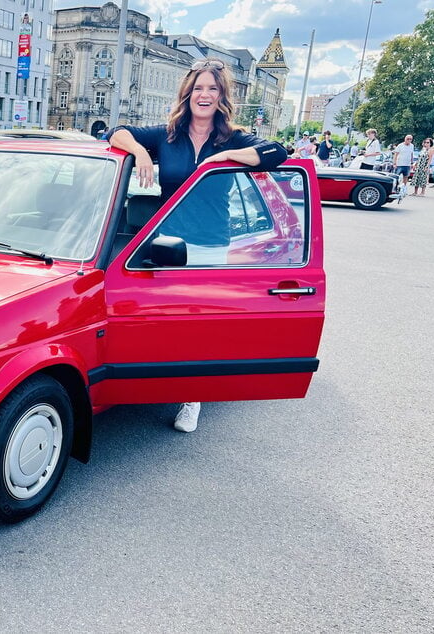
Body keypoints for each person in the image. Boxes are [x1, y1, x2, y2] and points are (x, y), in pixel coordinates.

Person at [107, 58, 286, 433]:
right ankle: (155, 380)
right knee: (161, 318)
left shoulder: (233, 137)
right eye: (198, 88)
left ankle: (192, 396)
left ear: (222, 97)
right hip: (166, 242)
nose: (204, 95)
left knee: (198, 324)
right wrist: (141, 152)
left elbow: (275, 152)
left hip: (209, 244)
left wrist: (226, 156)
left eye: (212, 89)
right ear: (188, 94)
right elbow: (117, 131)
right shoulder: (166, 136)